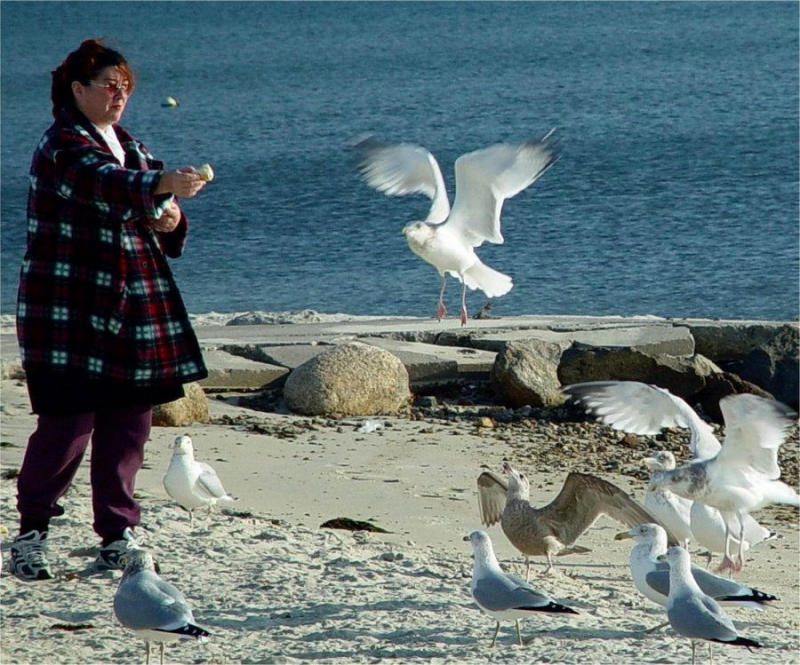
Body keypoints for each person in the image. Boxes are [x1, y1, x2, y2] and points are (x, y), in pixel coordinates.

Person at [9, 39, 209, 581]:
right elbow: (106, 185)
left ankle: (117, 535)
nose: (120, 95)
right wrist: (162, 188)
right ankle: (31, 533)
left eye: (126, 87)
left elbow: (148, 201)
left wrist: (171, 219)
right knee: (67, 426)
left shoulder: (131, 145)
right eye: (109, 86)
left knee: (129, 426)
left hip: (132, 306)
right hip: (68, 310)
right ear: (78, 90)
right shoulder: (62, 146)